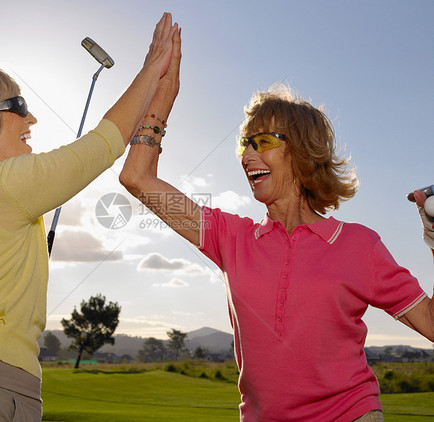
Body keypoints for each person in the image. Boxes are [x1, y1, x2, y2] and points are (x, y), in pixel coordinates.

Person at [119, 35, 434, 421]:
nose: (248, 155)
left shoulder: (359, 245)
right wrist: (162, 95)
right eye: (244, 145)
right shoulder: (229, 236)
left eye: (263, 142)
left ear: (302, 151)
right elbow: (136, 177)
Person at [0, 13, 179, 422]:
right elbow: (102, 144)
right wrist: (154, 68)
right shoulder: (0, 187)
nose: (31, 119)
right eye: (19, 106)